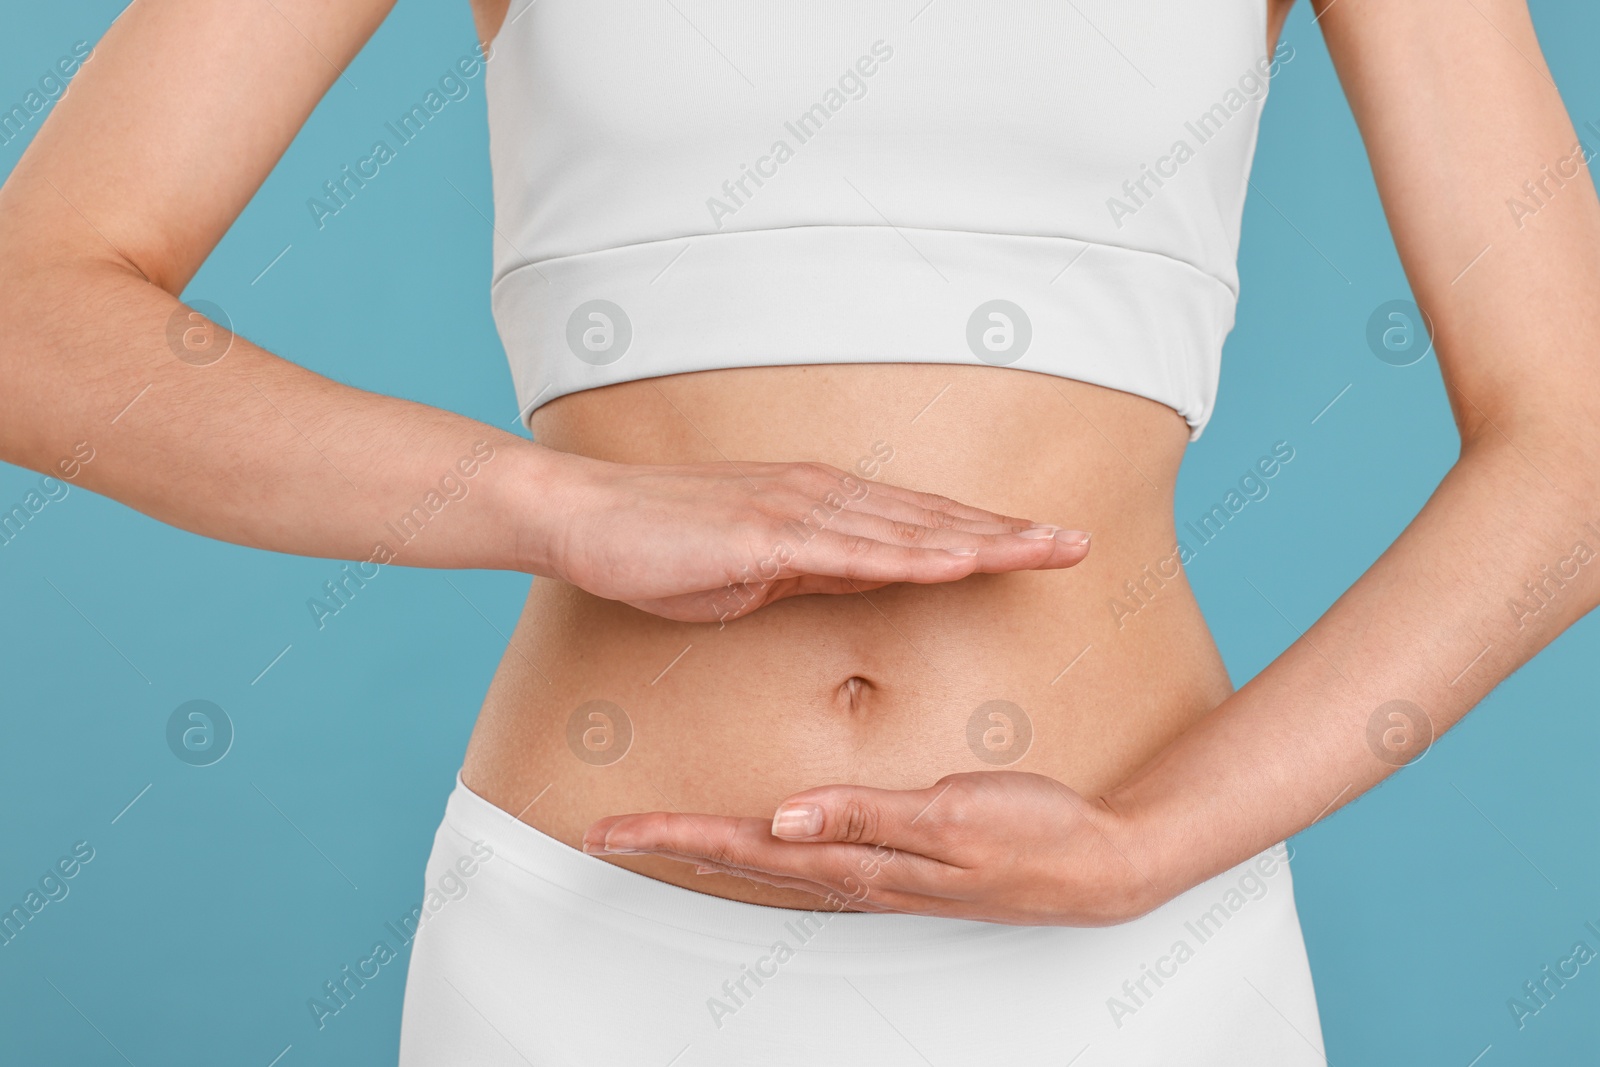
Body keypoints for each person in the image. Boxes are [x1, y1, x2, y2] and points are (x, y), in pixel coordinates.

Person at [2, 0, 1596, 1062]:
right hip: (588, 961)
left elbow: (1575, 442)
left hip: (1124, 965)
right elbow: (30, 315)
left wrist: (1149, 852)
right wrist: (553, 502)